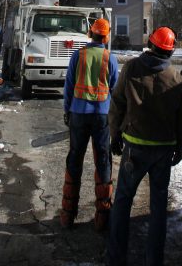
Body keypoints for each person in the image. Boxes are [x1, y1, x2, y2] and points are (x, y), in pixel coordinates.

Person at [107, 26, 182, 266]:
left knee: (123, 201)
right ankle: (155, 260)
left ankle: (115, 258)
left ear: (151, 45)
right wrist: (179, 147)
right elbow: (180, 117)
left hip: (135, 148)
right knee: (158, 207)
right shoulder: (175, 77)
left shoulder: (132, 68)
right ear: (170, 51)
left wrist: (115, 134)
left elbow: (117, 102)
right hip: (163, 150)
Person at [61, 16, 119, 230]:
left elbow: (68, 85)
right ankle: (103, 219)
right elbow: (116, 89)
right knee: (103, 162)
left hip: (78, 114)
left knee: (74, 159)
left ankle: (67, 216)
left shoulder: (78, 55)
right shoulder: (109, 58)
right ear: (106, 36)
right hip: (102, 117)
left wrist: (67, 110)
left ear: (90, 33)